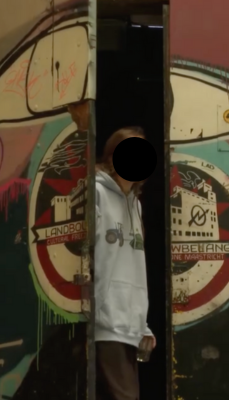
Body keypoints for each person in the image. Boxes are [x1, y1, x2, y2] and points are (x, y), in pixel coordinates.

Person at [94, 126, 156, 400]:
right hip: (106, 323)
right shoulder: (97, 193)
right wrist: (93, 313)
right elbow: (95, 257)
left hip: (128, 327)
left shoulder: (135, 205)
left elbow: (133, 268)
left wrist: (142, 325)